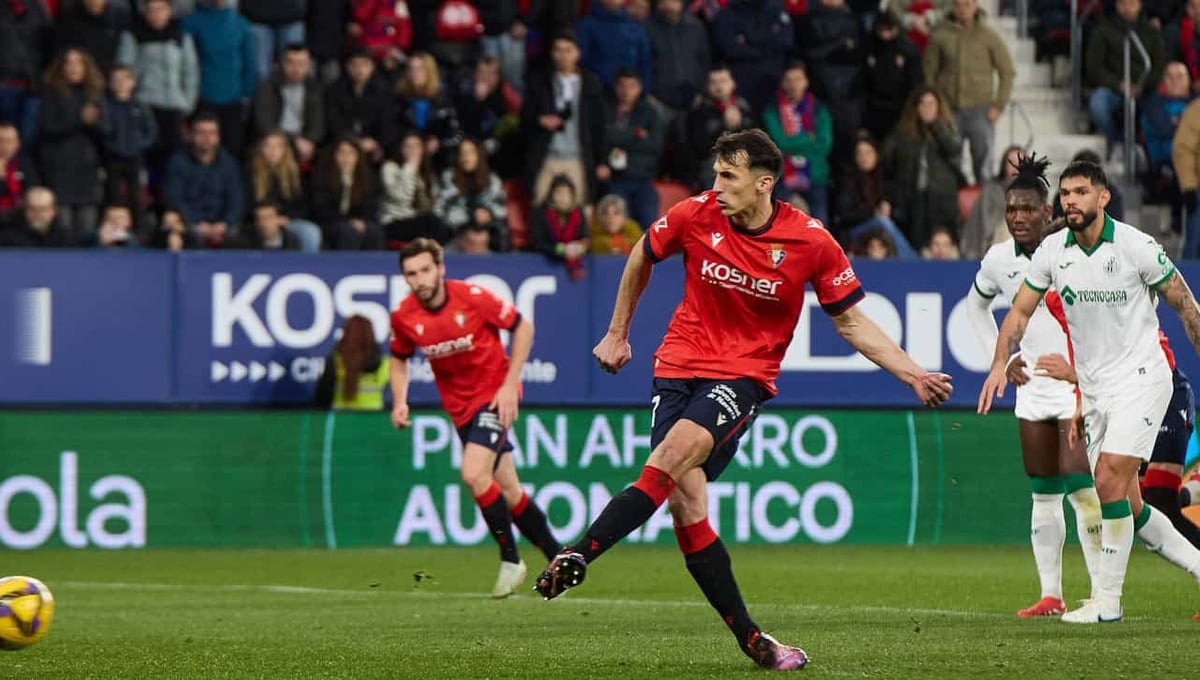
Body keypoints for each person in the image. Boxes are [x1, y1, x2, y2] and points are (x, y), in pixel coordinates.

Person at [533, 129, 953, 668]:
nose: (717, 185)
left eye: (729, 176)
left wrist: (913, 373)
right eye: (716, 174)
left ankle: (578, 553)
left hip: (742, 376)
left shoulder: (811, 241)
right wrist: (618, 333)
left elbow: (850, 322)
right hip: (677, 367)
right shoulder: (695, 214)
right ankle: (754, 641)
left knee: (670, 456)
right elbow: (641, 254)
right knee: (685, 501)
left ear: (763, 183)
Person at [979, 160, 1200, 623]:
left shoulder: (1137, 247)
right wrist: (1000, 362)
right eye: (1065, 193)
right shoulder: (1052, 253)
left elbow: (1184, 304)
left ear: (1103, 197)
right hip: (1097, 389)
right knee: (1131, 508)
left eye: (1081, 192)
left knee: (1107, 479)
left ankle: (1107, 602)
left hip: (1143, 378)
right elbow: (1018, 313)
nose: (1071, 200)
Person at [965, 154, 1103, 618]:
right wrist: (1003, 361)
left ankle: (1102, 593)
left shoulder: (1073, 250)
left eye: (1027, 208)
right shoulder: (998, 260)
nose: (1018, 217)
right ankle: (1051, 595)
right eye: (1011, 209)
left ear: (1048, 211)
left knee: (1082, 486)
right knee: (1044, 492)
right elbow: (975, 307)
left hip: (1076, 385)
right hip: (1033, 390)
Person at [389, 238, 563, 597]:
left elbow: (523, 327)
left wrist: (510, 384)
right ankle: (560, 560)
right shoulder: (405, 315)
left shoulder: (472, 297)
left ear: (440, 268)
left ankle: (511, 559)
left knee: (472, 473)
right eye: (411, 274)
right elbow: (399, 358)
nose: (420, 279)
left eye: (425, 270)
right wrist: (400, 400)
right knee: (510, 492)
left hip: (495, 396)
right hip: (460, 409)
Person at [316, 315, 388, 410]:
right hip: (373, 415)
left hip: (341, 416)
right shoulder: (384, 362)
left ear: (346, 334)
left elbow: (323, 397)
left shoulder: (335, 361)